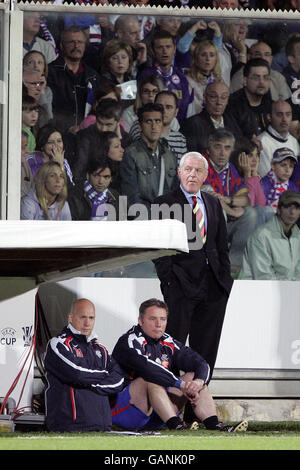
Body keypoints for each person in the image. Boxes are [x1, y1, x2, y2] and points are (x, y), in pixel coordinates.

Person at [111, 298, 248, 432]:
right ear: (140, 321)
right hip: (127, 412)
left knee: (193, 377)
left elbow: (201, 364)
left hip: (159, 414)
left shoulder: (168, 342)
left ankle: (214, 425)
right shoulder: (129, 341)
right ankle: (177, 427)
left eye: (163, 319)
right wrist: (181, 385)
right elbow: (148, 368)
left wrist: (198, 383)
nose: (158, 324)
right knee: (150, 380)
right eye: (152, 319)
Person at [152, 152, 232, 377]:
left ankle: (196, 408)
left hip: (214, 288)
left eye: (198, 171)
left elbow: (221, 246)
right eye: (188, 169)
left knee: (206, 351)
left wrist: (225, 281)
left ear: (205, 175)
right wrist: (169, 280)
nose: (192, 175)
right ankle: (169, 406)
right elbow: (158, 249)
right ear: (179, 172)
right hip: (180, 286)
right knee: (174, 348)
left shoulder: (213, 203)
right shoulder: (164, 203)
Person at [44, 298, 125, 432]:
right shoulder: (58, 344)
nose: (87, 323)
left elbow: (119, 379)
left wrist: (93, 384)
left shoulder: (101, 350)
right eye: (82, 317)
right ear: (71, 318)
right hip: (68, 427)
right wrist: (104, 374)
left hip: (102, 426)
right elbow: (76, 374)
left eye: (91, 318)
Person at [202, 128, 258, 271]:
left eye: (227, 148)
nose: (222, 153)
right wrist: (233, 211)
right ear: (209, 149)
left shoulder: (230, 168)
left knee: (251, 214)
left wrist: (228, 200)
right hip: (201, 227)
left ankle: (234, 262)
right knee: (218, 209)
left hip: (225, 222)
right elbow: (211, 200)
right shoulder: (201, 165)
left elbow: (247, 200)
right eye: (217, 147)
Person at [120, 102, 178, 212]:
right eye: (148, 121)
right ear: (140, 126)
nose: (154, 126)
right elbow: (131, 195)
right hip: (143, 220)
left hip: (167, 218)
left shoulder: (170, 156)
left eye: (158, 121)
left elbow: (175, 192)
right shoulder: (131, 154)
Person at [47, 25, 101, 134]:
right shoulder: (50, 72)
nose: (76, 46)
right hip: (57, 134)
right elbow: (48, 109)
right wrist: (66, 129)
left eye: (80, 42)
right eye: (71, 42)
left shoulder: (93, 76)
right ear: (61, 46)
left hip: (87, 136)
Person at [239, 190, 300, 280]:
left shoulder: (298, 236)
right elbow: (263, 277)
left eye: (297, 207)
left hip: (287, 290)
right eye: (287, 207)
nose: (292, 212)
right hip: (258, 291)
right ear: (278, 210)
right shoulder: (261, 236)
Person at [138, 30, 193, 125]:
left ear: (174, 49)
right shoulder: (146, 75)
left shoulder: (181, 76)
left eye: (168, 47)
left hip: (178, 129)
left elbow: (186, 107)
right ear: (152, 50)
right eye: (160, 47)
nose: (165, 51)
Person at [72, 98, 130, 181]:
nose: (103, 129)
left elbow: (128, 173)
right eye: (100, 123)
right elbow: (78, 173)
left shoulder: (126, 139)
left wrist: (119, 141)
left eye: (108, 125)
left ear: (118, 122)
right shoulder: (84, 137)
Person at [180, 81, 242, 154]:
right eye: (213, 96)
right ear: (204, 98)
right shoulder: (192, 124)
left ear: (227, 101)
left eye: (223, 97)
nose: (219, 102)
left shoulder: (232, 122)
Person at [129, 91, 187, 165]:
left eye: (168, 107)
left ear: (176, 112)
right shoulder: (139, 128)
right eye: (160, 106)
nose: (164, 111)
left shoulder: (180, 139)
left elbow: (183, 169)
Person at [226, 58, 272, 142]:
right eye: (256, 78)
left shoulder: (271, 105)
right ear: (245, 81)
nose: (261, 82)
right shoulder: (231, 105)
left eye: (265, 78)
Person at [258, 100, 300, 177]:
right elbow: (266, 177)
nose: (284, 119)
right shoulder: (262, 142)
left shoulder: (293, 141)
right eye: (279, 115)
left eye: (288, 115)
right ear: (269, 117)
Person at [185, 40, 222, 116]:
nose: (208, 59)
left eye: (212, 55)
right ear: (196, 58)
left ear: (216, 59)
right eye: (203, 55)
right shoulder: (188, 80)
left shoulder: (219, 80)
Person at [261, 147, 300, 211]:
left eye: (291, 166)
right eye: (283, 165)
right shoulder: (264, 183)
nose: (287, 170)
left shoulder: (293, 187)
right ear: (273, 165)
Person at [23, 50, 53, 120]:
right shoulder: (17, 86)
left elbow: (48, 117)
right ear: (24, 67)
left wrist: (41, 91)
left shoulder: (47, 91)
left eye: (39, 63)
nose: (35, 66)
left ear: (44, 69)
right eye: (31, 62)